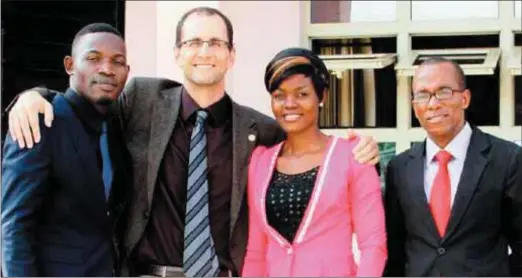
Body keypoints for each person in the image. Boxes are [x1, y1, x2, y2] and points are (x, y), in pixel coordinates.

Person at [5, 7, 381, 277]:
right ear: (177, 53)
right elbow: (87, 100)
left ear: (231, 56)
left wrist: (359, 144)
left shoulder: (260, 129)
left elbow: (307, 139)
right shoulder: (140, 100)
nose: (204, 51)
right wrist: (34, 96)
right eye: (194, 41)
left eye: (215, 42)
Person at [241, 48, 387, 277]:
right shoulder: (260, 162)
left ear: (322, 97)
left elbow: (373, 245)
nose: (289, 104)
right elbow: (256, 251)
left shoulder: (353, 156)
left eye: (302, 94)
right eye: (279, 95)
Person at [1, 23, 131, 276]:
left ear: (127, 71)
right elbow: (14, 227)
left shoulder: (117, 125)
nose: (106, 69)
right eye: (93, 58)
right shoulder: (40, 120)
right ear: (70, 65)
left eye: (117, 61)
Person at [383, 57, 522, 276]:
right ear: (414, 106)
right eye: (422, 95)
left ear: (465, 98)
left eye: (444, 91)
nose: (433, 103)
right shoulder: (399, 168)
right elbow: (395, 248)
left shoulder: (507, 159)